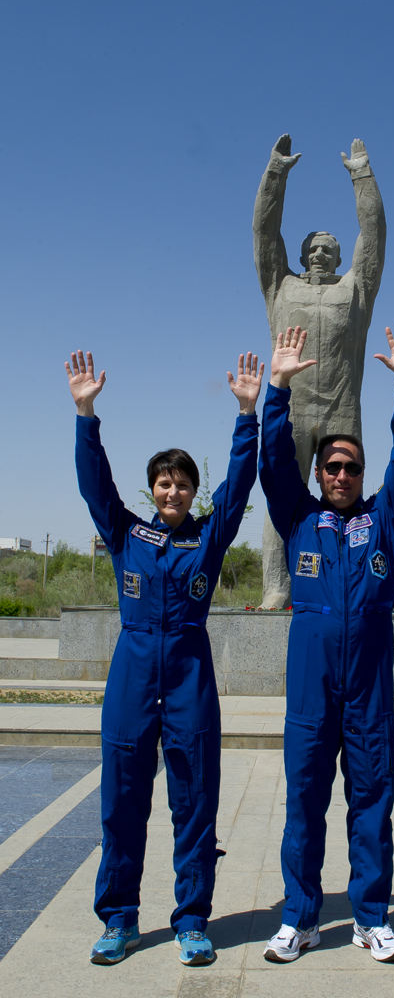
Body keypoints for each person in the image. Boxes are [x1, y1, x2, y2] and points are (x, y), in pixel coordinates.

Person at [65, 349, 263, 966]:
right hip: (131, 676)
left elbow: (240, 485)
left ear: (193, 492)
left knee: (195, 804)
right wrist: (86, 415)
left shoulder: (208, 536)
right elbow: (95, 485)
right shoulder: (126, 532)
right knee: (122, 803)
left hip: (189, 677)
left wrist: (247, 414)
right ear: (152, 489)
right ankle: (119, 919)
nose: (172, 490)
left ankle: (192, 920)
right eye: (163, 482)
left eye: (182, 483)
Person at [258, 324, 394, 963]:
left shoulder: (383, 519)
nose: (341, 474)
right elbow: (273, 463)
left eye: (352, 467)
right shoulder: (298, 517)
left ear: (362, 474)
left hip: (368, 695)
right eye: (331, 466)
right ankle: (300, 919)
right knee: (304, 805)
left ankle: (370, 919)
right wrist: (278, 390)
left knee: (371, 804)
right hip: (311, 693)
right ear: (318, 471)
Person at [253, 134, 386, 608]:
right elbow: (264, 234)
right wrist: (276, 174)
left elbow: (373, 236)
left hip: (340, 411)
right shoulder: (280, 286)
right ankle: (277, 585)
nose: (318, 253)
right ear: (301, 253)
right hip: (291, 409)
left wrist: (362, 175)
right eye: (312, 247)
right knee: (279, 496)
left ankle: (345, 583)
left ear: (340, 257)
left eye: (328, 248)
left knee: (346, 497)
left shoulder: (355, 290)